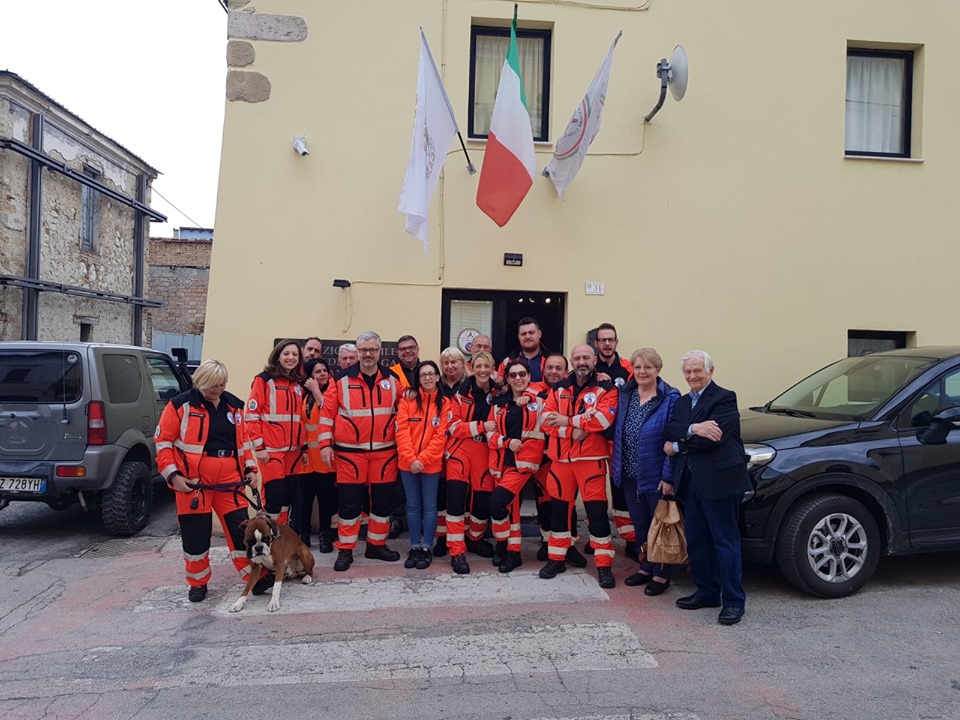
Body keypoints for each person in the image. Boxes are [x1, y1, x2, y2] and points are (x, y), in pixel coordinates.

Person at [155, 359, 261, 602]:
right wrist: (173, 476)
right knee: (196, 536)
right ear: (201, 381)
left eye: (223, 384)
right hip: (193, 484)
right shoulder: (180, 406)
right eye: (214, 385)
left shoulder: (234, 407)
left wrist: (251, 469)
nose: (219, 389)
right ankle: (198, 582)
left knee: (241, 532)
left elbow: (243, 443)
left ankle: (254, 577)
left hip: (230, 482)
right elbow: (163, 444)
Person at [664, 350, 751, 625]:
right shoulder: (681, 402)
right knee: (698, 541)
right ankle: (707, 592)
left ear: (710, 371)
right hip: (690, 482)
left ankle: (734, 601)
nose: (692, 376)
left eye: (697, 371)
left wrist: (679, 444)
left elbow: (715, 438)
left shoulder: (725, 397)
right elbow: (671, 427)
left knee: (725, 542)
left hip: (720, 481)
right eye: (687, 372)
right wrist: (694, 429)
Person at [319, 331, 402, 571]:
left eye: (372, 350)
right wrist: (324, 445)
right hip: (349, 455)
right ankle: (345, 550)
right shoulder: (340, 380)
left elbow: (404, 411)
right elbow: (326, 416)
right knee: (349, 505)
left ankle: (376, 546)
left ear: (379, 351)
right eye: (363, 350)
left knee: (382, 505)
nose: (368, 354)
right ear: (357, 352)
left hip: (385, 454)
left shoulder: (392, 379)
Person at [539, 344, 619, 588]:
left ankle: (604, 566)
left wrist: (567, 420)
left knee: (596, 514)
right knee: (559, 513)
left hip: (590, 462)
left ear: (594, 359)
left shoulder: (607, 387)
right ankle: (556, 558)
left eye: (586, 357)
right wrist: (572, 429)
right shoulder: (558, 388)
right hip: (561, 461)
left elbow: (603, 420)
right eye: (577, 358)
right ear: (571, 361)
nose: (581, 361)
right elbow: (545, 422)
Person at [610, 348, 681, 596]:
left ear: (657, 370)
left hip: (655, 474)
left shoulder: (670, 398)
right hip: (629, 473)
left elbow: (673, 441)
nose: (642, 372)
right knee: (640, 523)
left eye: (648, 367)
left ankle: (662, 573)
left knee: (660, 523)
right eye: (638, 367)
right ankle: (646, 565)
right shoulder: (625, 394)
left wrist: (668, 477)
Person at [487, 358, 545, 573]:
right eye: (513, 375)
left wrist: (530, 395)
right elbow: (490, 434)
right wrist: (506, 442)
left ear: (530, 377)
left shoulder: (540, 402)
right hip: (501, 463)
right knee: (511, 511)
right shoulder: (499, 404)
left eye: (522, 374)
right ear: (508, 380)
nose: (518, 378)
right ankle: (513, 552)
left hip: (523, 465)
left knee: (497, 503)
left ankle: (502, 545)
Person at [445, 350, 499, 573]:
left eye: (487, 366)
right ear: (471, 368)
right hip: (460, 451)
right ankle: (457, 552)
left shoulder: (500, 393)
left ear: (493, 368)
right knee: (456, 503)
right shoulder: (459, 393)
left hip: (486, 452)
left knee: (481, 503)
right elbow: (453, 426)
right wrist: (480, 426)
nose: (483, 371)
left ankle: (474, 540)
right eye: (478, 366)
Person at [396, 360, 450, 570]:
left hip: (431, 465)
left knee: (430, 507)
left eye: (431, 374)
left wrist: (423, 460)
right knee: (412, 506)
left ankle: (427, 547)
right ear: (417, 379)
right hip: (407, 464)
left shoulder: (445, 404)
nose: (427, 378)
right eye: (423, 375)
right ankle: (415, 546)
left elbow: (441, 435)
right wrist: (411, 460)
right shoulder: (407, 401)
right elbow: (401, 432)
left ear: (438, 377)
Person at [245, 339, 305, 526]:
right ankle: (268, 537)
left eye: (295, 354)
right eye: (286, 353)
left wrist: (302, 449)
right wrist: (259, 446)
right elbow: (252, 415)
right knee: (274, 498)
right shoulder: (263, 380)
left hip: (293, 452)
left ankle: (281, 535)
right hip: (272, 451)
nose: (291, 357)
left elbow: (299, 419)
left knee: (287, 498)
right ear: (278, 356)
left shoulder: (297, 383)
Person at [592, 322, 638, 562]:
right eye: (603, 340)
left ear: (616, 342)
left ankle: (630, 540)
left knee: (621, 490)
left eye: (611, 340)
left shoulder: (628, 368)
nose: (607, 344)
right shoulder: (589, 367)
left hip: (620, 439)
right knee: (595, 491)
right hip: (596, 440)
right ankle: (596, 537)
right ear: (596, 343)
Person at [298, 357, 338, 553]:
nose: (322, 374)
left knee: (326, 500)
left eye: (324, 370)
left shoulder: (331, 391)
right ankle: (303, 534)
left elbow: (330, 413)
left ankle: (325, 535)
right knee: (305, 499)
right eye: (317, 371)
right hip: (307, 458)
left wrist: (316, 390)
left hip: (325, 457)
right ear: (309, 376)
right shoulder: (304, 396)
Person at [434, 346, 469, 558]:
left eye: (454, 362)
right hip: (439, 449)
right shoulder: (436, 386)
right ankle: (441, 537)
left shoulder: (469, 385)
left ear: (462, 364)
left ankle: (462, 536)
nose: (450, 366)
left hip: (462, 449)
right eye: (445, 363)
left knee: (460, 498)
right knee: (440, 497)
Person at [499, 317, 549, 383]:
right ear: (519, 337)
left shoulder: (550, 361)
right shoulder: (507, 362)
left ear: (539, 334)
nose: (527, 336)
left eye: (531, 333)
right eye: (523, 334)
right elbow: (498, 389)